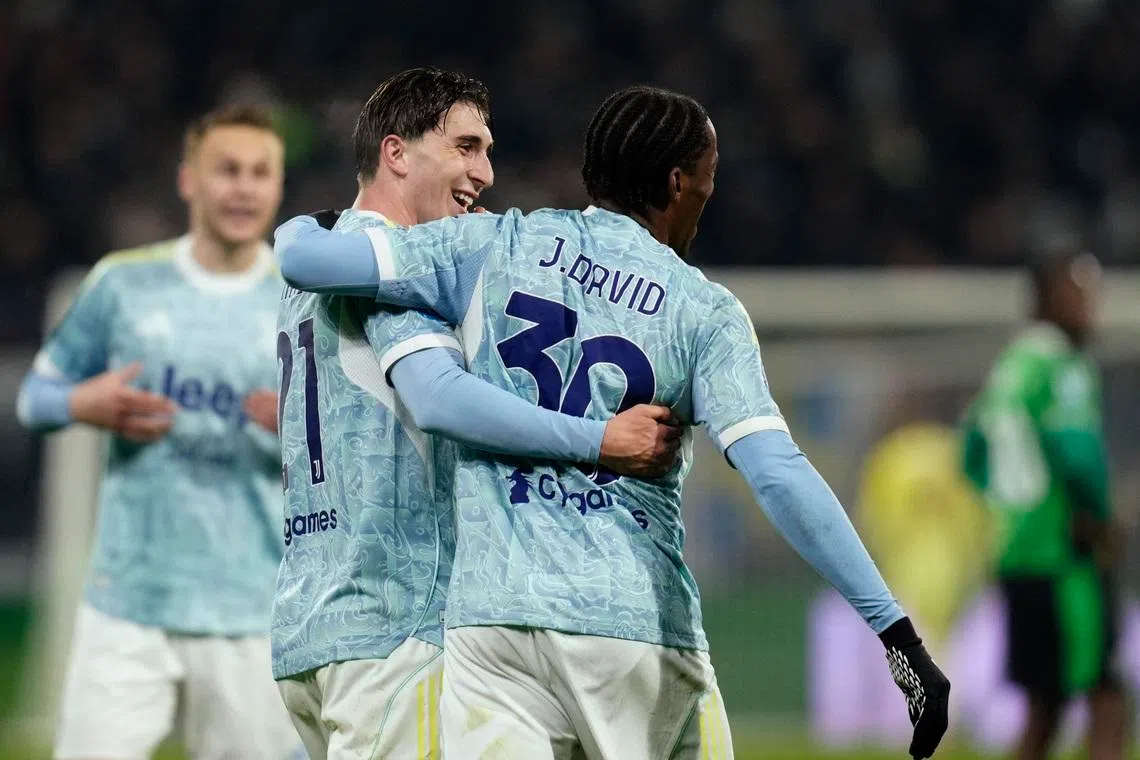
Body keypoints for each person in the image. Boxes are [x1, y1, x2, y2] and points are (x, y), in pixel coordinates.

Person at [274, 84, 950, 760]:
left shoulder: (494, 243)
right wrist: (894, 631)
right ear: (679, 183)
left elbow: (307, 260)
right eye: (708, 181)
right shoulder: (703, 310)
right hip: (631, 622)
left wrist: (305, 224)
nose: (707, 199)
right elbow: (776, 472)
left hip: (495, 628)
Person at [272, 68, 679, 760]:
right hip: (400, 629)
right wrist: (599, 439)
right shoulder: (396, 270)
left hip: (312, 625)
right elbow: (439, 398)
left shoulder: (317, 260)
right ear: (397, 153)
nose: (486, 173)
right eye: (465, 147)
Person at [16, 106, 300, 759]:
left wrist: (305, 429)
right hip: (127, 603)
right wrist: (81, 401)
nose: (244, 188)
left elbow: (348, 447)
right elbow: (35, 398)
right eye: (227, 170)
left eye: (260, 173)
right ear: (188, 180)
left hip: (250, 608)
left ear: (278, 187)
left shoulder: (302, 299)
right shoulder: (124, 284)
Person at [961, 241, 1127, 760]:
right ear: (1047, 299)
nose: (1090, 308)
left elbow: (972, 452)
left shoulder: (1011, 367)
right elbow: (1078, 454)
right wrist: (1102, 519)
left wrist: (1007, 512)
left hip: (1016, 551)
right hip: (1063, 556)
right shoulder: (1062, 366)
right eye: (1079, 296)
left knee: (1045, 708)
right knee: (1107, 697)